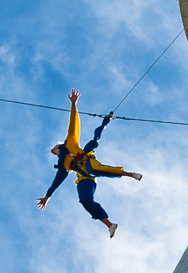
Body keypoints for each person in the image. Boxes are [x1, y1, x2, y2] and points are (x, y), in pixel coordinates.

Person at [36, 89, 142, 238]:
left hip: (87, 163)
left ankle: (130, 174)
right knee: (85, 200)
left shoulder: (69, 144)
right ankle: (110, 225)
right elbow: (57, 180)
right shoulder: (63, 166)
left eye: (54, 148)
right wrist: (48, 196)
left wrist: (73, 105)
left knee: (95, 168)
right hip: (84, 177)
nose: (53, 151)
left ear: (58, 147)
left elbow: (73, 125)